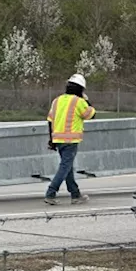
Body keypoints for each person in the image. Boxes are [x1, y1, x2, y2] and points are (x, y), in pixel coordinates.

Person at [45, 74, 96, 205]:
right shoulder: (78, 102)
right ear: (80, 89)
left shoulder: (57, 100)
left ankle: (75, 194)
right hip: (70, 140)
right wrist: (86, 100)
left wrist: (51, 139)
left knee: (68, 167)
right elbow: (91, 114)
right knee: (65, 167)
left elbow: (50, 121)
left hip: (58, 138)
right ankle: (51, 192)